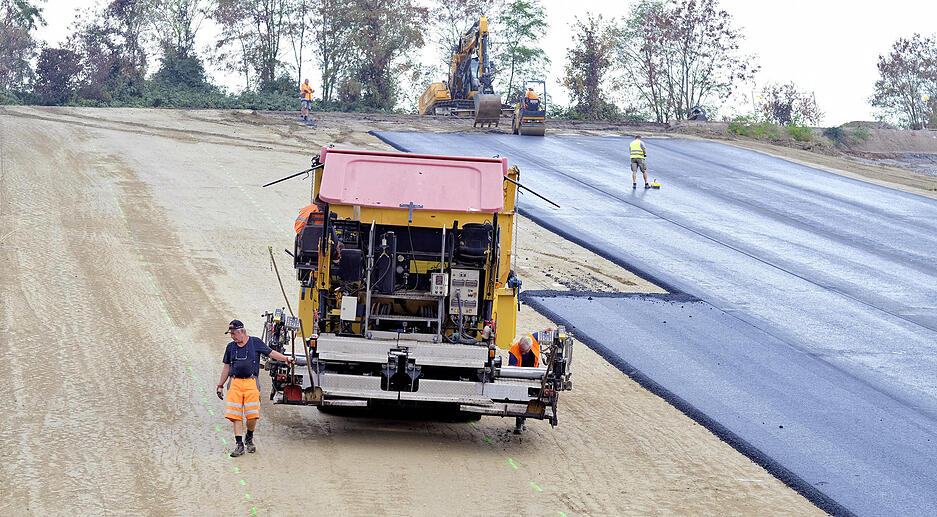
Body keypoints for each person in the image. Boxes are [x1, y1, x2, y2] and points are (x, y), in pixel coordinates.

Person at [217, 319, 293, 457]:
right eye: (231, 334)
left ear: (241, 332)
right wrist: (220, 385)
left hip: (251, 383)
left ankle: (249, 437)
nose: (232, 337)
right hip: (234, 384)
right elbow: (226, 368)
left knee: (252, 415)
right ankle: (239, 445)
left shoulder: (255, 342)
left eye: (234, 333)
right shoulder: (230, 347)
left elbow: (271, 353)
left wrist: (286, 359)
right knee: (236, 416)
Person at [508, 330, 549, 433]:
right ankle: (519, 424)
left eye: (525, 351)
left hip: (533, 375)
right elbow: (511, 371)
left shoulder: (533, 339)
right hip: (519, 377)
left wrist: (551, 330)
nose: (523, 353)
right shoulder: (514, 352)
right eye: (521, 351)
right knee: (520, 400)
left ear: (530, 347)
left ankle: (523, 420)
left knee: (530, 398)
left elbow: (544, 332)